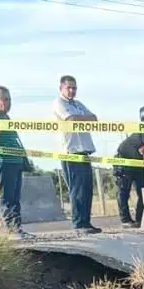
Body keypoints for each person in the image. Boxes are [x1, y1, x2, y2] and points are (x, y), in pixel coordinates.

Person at [52, 75, 101, 234]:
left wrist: (81, 118)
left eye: (74, 88)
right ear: (61, 88)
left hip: (85, 149)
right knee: (77, 189)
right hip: (70, 151)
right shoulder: (59, 103)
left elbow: (94, 119)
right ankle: (78, 223)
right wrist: (82, 119)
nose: (72, 91)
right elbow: (71, 119)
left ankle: (86, 221)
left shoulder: (78, 104)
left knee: (87, 189)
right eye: (69, 88)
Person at [0, 86, 33, 237]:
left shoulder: (5, 117)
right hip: (4, 162)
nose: (8, 103)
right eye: (4, 100)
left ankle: (17, 228)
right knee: (6, 197)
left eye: (9, 99)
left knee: (15, 198)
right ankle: (10, 230)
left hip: (15, 161)